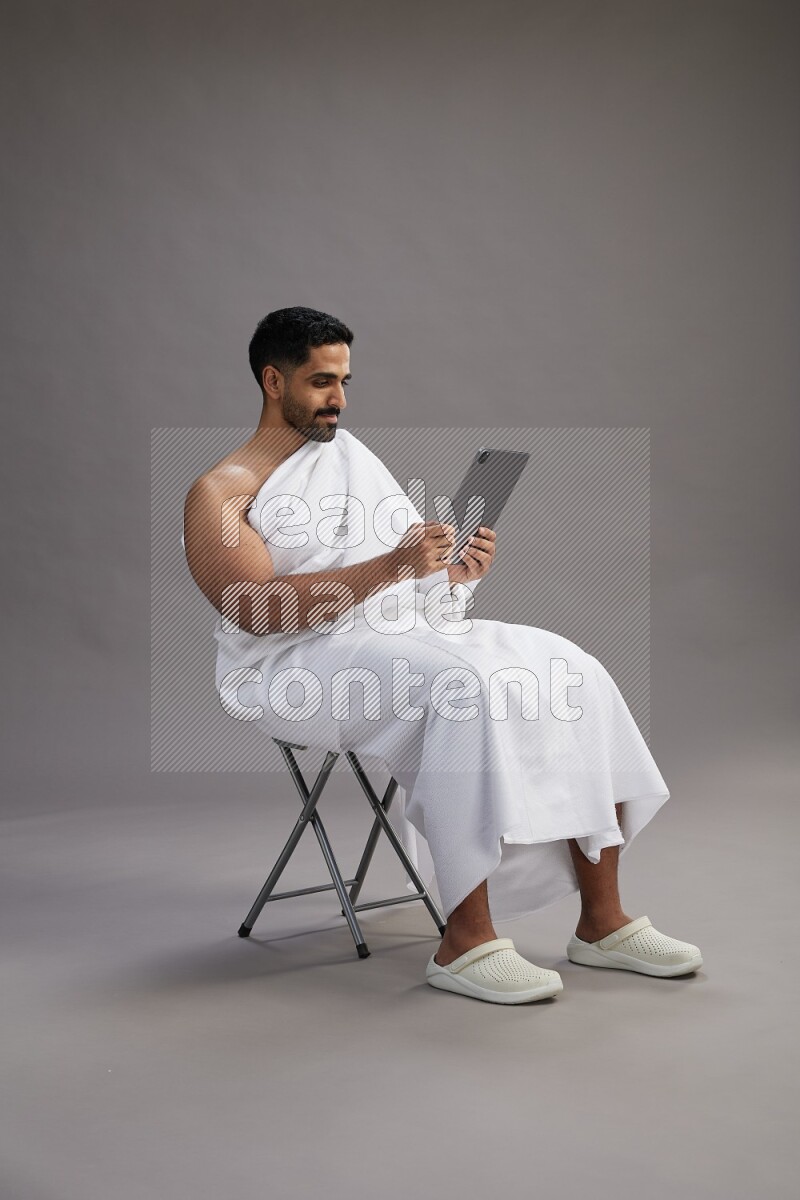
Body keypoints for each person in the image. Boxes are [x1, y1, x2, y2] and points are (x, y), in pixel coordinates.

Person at [182, 306, 703, 1005]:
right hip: (295, 667)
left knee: (571, 667)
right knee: (461, 687)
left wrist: (449, 578)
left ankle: (602, 923)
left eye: (344, 380)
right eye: (320, 381)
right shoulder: (221, 493)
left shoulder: (348, 459)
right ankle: (465, 940)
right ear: (273, 381)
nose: (338, 398)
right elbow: (255, 609)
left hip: (385, 637)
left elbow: (401, 590)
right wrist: (395, 567)